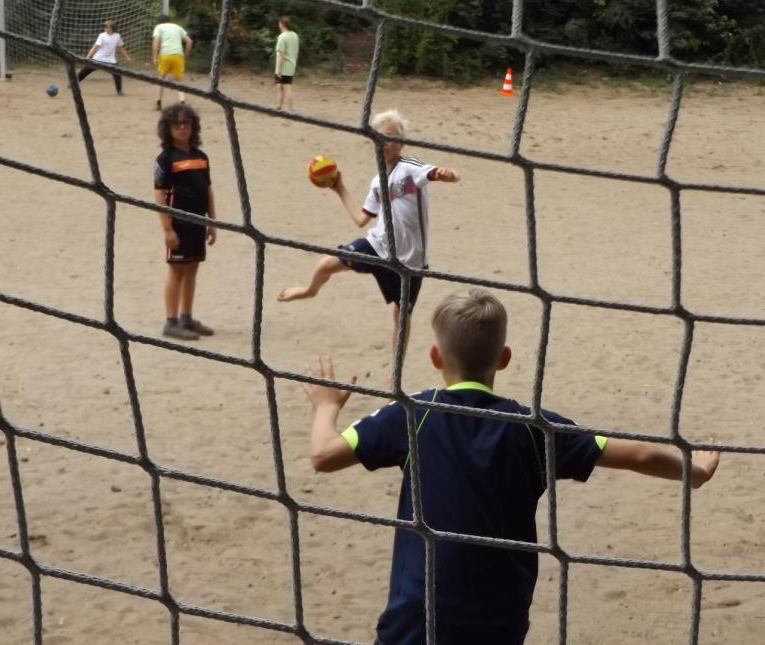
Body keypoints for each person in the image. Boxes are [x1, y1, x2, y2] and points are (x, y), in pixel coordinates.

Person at [302, 288, 720, 645]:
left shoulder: (413, 414)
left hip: (420, 619)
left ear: (435, 356)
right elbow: (641, 454)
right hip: (500, 619)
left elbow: (322, 455)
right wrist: (695, 473)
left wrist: (326, 406)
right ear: (503, 358)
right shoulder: (533, 428)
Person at [278, 109, 460, 361]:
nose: (384, 142)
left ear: (401, 143)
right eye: (379, 137)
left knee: (401, 316)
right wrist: (339, 188)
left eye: (390, 138)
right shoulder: (377, 181)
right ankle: (309, 290)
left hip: (410, 261)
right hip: (378, 246)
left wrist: (447, 174)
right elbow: (361, 218)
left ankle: (395, 374)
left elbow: (435, 173)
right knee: (326, 264)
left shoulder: (410, 168)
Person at [154, 104, 217, 341]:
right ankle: (171, 322)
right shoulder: (165, 159)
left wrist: (212, 221)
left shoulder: (201, 157)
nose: (182, 128)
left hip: (198, 222)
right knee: (177, 270)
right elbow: (159, 194)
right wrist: (167, 228)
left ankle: (186, 317)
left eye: (186, 124)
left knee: (192, 269)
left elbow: (208, 190)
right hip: (178, 223)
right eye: (176, 124)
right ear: (168, 129)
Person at [76, 20, 132, 96]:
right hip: (98, 59)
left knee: (117, 73)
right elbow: (95, 47)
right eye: (104, 26)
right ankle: (73, 83)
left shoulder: (117, 36)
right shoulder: (102, 35)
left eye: (106, 26)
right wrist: (88, 56)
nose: (104, 28)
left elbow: (120, 48)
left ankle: (119, 91)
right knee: (84, 71)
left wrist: (127, 57)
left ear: (112, 28)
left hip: (110, 60)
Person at [152, 14, 192, 112]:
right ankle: (182, 101)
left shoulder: (159, 27)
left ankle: (159, 102)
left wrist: (154, 56)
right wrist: (185, 56)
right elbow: (189, 41)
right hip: (178, 55)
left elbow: (156, 41)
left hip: (165, 55)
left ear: (159, 21)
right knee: (179, 80)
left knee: (161, 79)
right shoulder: (177, 27)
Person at [274, 16, 299, 111]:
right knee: (281, 86)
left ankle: (290, 109)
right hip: (291, 65)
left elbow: (281, 54)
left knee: (285, 87)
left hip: (284, 66)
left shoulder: (282, 37)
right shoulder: (295, 35)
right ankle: (279, 107)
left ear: (281, 24)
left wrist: (278, 70)